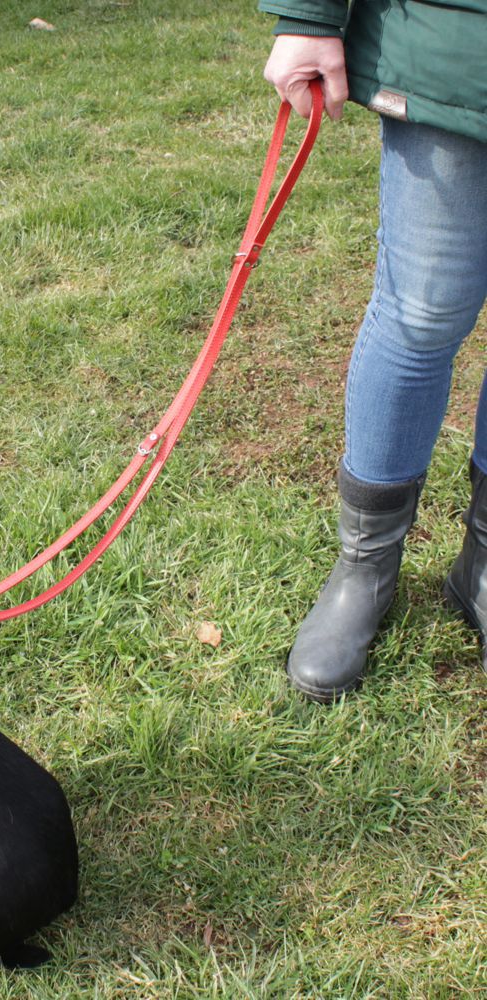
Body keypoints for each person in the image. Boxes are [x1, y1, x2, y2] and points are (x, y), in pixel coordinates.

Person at [257, 0, 487, 701]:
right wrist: (306, 12)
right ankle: (365, 567)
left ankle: (481, 563)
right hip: (455, 39)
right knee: (420, 314)